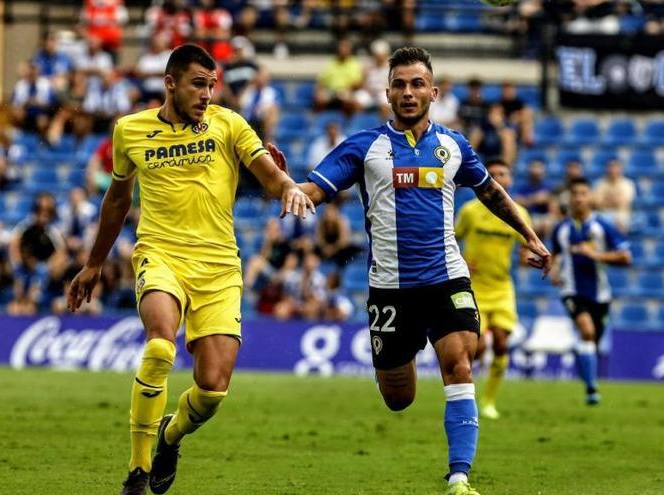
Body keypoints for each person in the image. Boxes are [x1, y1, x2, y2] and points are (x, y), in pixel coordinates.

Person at [274, 46, 551, 495]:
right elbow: (314, 189)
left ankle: (459, 477)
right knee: (398, 398)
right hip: (390, 291)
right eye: (400, 84)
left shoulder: (453, 146)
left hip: (447, 279)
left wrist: (530, 235)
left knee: (460, 364)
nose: (408, 92)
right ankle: (410, 369)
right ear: (386, 93)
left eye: (417, 84)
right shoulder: (363, 147)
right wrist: (288, 188)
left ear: (433, 92)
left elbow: (493, 193)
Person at [65, 44, 313, 495]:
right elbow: (118, 200)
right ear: (171, 83)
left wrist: (289, 188)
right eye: (198, 84)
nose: (207, 93)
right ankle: (137, 473)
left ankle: (169, 436)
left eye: (212, 85)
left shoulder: (228, 123)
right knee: (160, 346)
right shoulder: (130, 131)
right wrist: (94, 263)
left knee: (213, 390)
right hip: (160, 254)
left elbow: (268, 171)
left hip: (219, 266)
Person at [455, 158, 532, 420]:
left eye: (504, 173)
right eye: (494, 173)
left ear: (509, 180)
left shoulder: (518, 212)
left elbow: (526, 246)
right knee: (479, 347)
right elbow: (450, 239)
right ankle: (466, 393)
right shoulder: (469, 211)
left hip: (501, 288)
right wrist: (461, 259)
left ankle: (488, 401)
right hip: (474, 288)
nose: (499, 176)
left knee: (500, 342)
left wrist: (527, 258)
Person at [549, 178, 631, 405]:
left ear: (591, 198)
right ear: (570, 198)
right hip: (571, 291)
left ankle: (587, 381)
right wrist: (555, 272)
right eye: (575, 193)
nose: (578, 198)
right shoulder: (561, 229)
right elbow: (555, 255)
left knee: (592, 341)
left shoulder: (602, 226)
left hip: (600, 294)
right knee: (586, 330)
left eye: (584, 193)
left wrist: (596, 255)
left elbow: (625, 257)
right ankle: (592, 387)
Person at [593, 158, 636, 233]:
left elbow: (623, 203)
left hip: (622, 216)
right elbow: (597, 203)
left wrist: (607, 200)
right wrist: (614, 200)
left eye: (615, 167)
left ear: (620, 169)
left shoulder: (628, 184)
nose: (612, 170)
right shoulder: (599, 184)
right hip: (603, 215)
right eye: (610, 167)